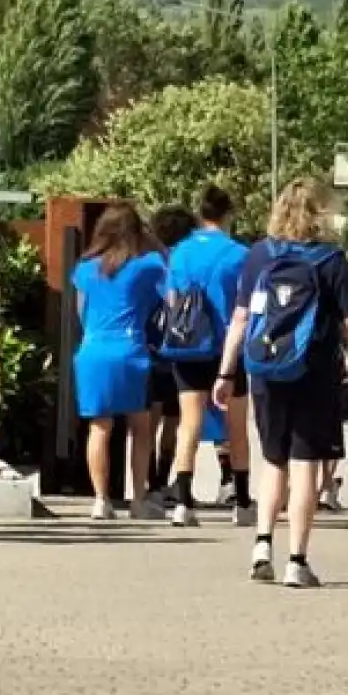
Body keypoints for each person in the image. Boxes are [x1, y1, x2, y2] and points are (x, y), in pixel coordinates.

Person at [214, 179, 348, 588]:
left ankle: (262, 543)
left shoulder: (259, 254)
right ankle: (297, 561)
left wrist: (226, 373)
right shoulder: (331, 260)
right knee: (306, 467)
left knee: (273, 460)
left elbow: (241, 319)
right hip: (313, 373)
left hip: (264, 370)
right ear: (319, 214)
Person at [163, 185, 256, 528]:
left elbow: (172, 299)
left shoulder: (179, 253)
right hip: (227, 349)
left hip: (187, 346)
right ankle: (242, 501)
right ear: (228, 214)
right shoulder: (239, 254)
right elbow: (246, 306)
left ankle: (183, 501)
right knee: (236, 426)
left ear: (200, 213)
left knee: (190, 423)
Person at [72, 202, 169, 521]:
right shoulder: (147, 266)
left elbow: (81, 312)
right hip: (130, 351)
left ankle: (101, 500)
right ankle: (139, 499)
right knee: (140, 428)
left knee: (99, 428)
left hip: (93, 351)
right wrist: (152, 240)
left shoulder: (84, 269)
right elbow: (171, 287)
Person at [147, 205, 199, 505]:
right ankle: (167, 481)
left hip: (153, 347)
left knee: (150, 422)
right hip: (181, 348)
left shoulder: (152, 264)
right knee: (173, 421)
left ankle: (152, 483)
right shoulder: (184, 262)